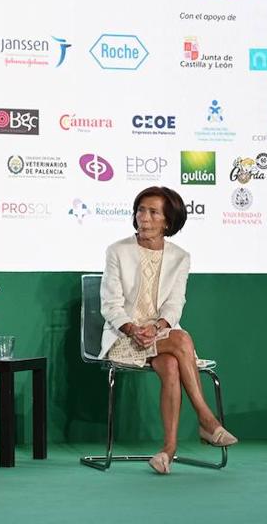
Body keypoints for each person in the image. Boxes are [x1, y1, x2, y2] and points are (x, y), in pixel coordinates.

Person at [99, 185, 237, 474]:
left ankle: (167, 451)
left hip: (161, 336)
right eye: (140, 210)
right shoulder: (117, 250)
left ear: (168, 221)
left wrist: (159, 326)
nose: (144, 217)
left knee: (173, 363)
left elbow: (175, 305)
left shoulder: (180, 257)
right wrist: (133, 328)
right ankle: (207, 420)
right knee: (182, 340)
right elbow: (110, 305)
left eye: (152, 212)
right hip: (124, 337)